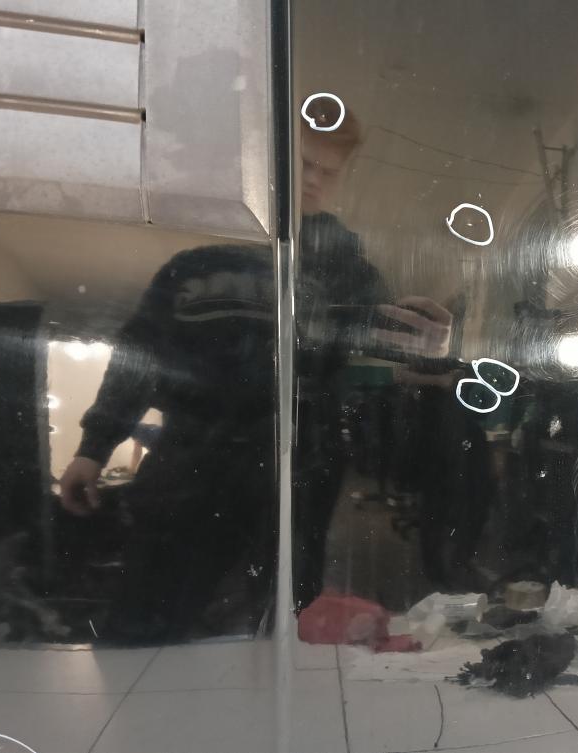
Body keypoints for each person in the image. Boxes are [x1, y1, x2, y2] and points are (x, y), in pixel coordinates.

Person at [59, 98, 451, 638]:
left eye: (328, 172)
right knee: (150, 613)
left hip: (297, 471)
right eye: (304, 163)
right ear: (268, 163)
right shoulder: (193, 267)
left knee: (280, 619)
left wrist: (430, 343)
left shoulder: (348, 272)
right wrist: (93, 448)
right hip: (191, 461)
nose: (313, 179)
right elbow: (139, 357)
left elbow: (386, 353)